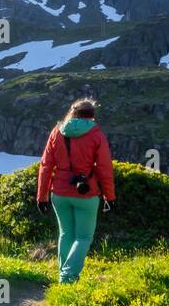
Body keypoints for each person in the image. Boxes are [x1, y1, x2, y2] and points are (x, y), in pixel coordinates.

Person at [36, 98, 116, 284]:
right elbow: (104, 168)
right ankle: (68, 278)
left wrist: (42, 196)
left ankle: (63, 276)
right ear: (92, 116)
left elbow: (46, 166)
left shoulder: (57, 132)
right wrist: (109, 196)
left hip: (59, 193)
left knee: (66, 235)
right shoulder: (97, 135)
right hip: (86, 194)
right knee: (83, 237)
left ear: (72, 112)